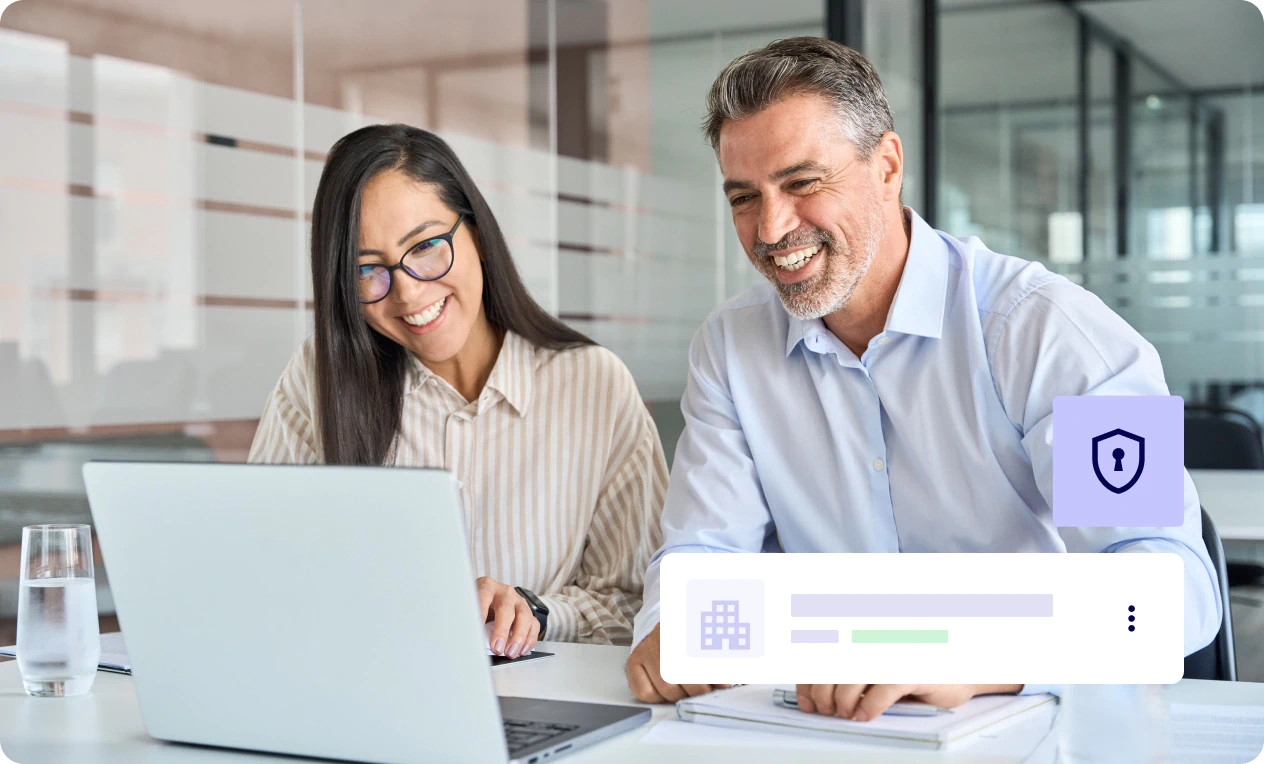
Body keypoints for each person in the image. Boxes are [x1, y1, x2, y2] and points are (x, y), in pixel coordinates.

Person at [625, 37, 1221, 718]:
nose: (772, 227)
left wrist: (979, 654)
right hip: (827, 729)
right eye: (743, 197)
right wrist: (671, 628)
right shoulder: (730, 349)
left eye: (802, 183)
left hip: (1024, 726)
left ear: (886, 167)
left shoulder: (1047, 330)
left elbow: (1173, 592)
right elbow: (704, 555)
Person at [249, 124, 667, 655]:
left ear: (478, 236)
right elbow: (264, 577)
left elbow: (637, 609)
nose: (407, 292)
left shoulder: (594, 386)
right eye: (366, 270)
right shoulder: (318, 380)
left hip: (536, 698)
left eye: (424, 246)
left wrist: (534, 611)